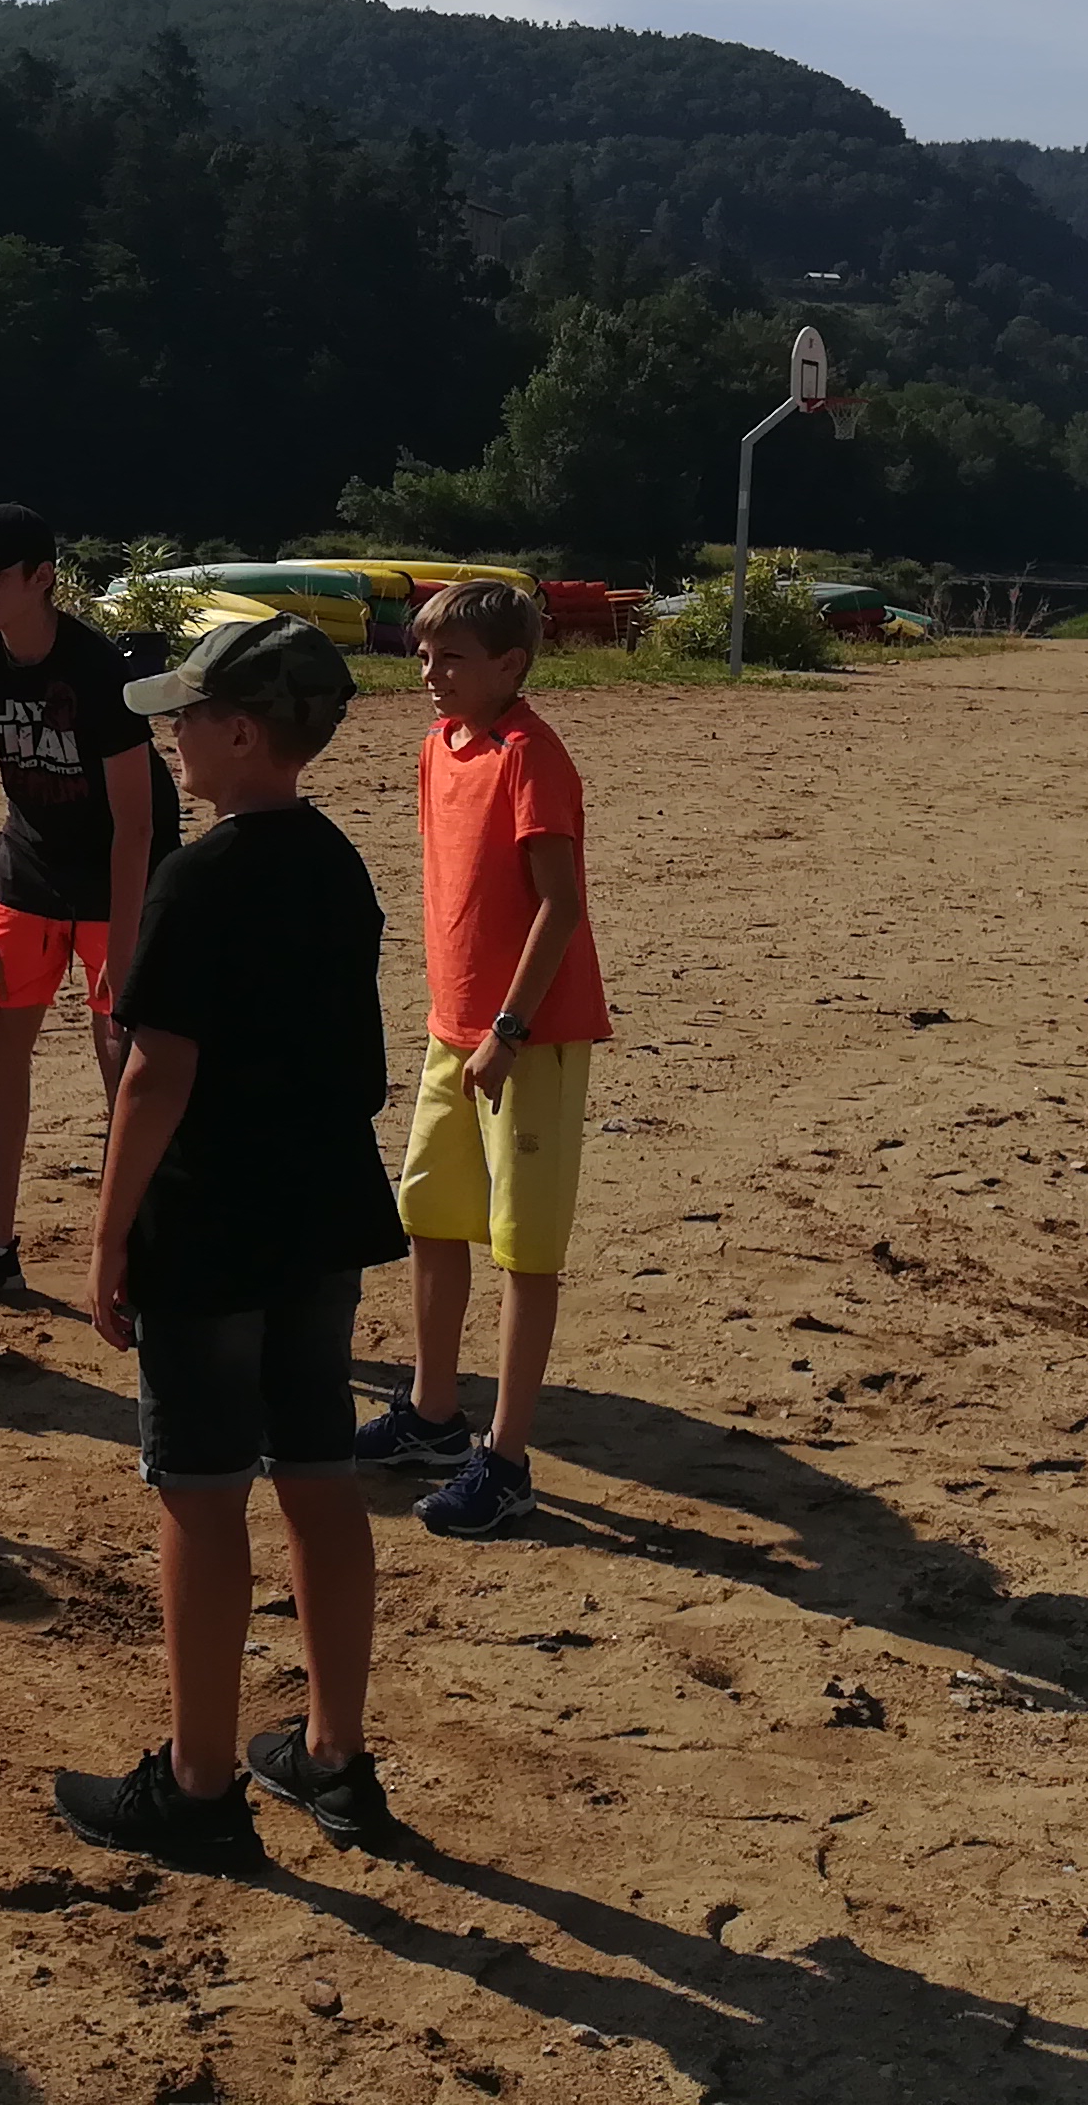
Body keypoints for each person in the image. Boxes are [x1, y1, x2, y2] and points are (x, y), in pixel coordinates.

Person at [56, 615, 405, 1870]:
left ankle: (199, 1785)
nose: (174, 736)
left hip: (209, 1219)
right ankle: (332, 1754)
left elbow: (156, 1073)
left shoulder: (198, 878)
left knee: (201, 1494)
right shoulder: (336, 862)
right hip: (320, 1210)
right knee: (317, 1472)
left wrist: (107, 1237)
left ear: (243, 733)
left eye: (190, 717)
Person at [352, 577, 608, 1538]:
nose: (431, 673)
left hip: (525, 1038)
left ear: (511, 665)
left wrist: (508, 1028)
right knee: (431, 1216)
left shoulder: (531, 756)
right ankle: (432, 1414)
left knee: (523, 1249)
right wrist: (462, 1022)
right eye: (423, 655)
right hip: (452, 1030)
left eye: (452, 658)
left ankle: (506, 1459)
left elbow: (560, 906)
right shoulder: (439, 745)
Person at [0, 501, 174, 1309]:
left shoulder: (98, 671)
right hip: (28, 870)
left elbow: (137, 823)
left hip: (121, 875)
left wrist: (126, 941)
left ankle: (143, 1252)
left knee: (122, 1056)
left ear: (41, 578)